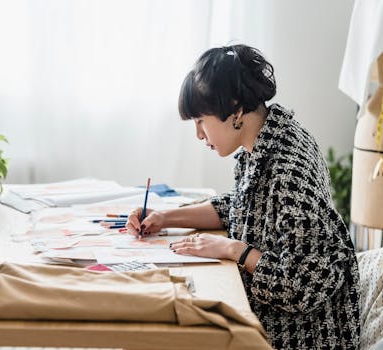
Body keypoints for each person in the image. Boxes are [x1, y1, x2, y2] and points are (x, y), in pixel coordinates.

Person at [126, 44, 360, 349]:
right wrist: (164, 217)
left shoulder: (288, 169)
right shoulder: (263, 140)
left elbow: (304, 286)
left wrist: (233, 249)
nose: (198, 134)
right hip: (272, 316)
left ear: (235, 111)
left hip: (303, 335)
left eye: (201, 121)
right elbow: (238, 206)